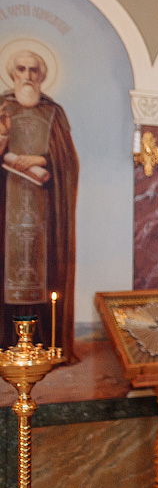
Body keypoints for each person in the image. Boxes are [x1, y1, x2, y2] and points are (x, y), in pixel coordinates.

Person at [0, 49, 78, 357]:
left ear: (43, 76)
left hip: (45, 209)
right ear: (13, 74)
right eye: (22, 69)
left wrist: (41, 159)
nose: (28, 76)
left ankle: (44, 342)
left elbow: (68, 161)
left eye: (34, 70)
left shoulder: (54, 112)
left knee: (40, 267)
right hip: (6, 207)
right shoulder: (2, 107)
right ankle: (6, 342)